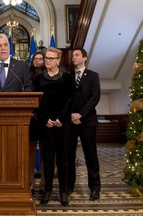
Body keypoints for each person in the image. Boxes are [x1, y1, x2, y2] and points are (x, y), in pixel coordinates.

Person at [33, 48, 74, 206]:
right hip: (46, 123)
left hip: (62, 123)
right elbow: (36, 101)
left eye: (51, 58)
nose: (47, 61)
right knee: (48, 158)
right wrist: (45, 119)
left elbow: (70, 99)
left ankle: (63, 192)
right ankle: (48, 190)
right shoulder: (39, 78)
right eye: (46, 58)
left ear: (58, 60)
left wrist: (60, 118)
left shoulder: (67, 77)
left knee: (63, 158)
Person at [68, 48, 101, 201]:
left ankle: (94, 188)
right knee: (68, 155)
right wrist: (71, 115)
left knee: (90, 155)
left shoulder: (93, 76)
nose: (73, 57)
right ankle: (69, 186)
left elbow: (95, 97)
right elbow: (65, 98)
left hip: (87, 121)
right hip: (69, 121)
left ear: (84, 58)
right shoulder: (68, 77)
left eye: (76, 55)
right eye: (72, 55)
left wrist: (80, 114)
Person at [29, 51, 45, 195]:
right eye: (36, 59)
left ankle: (44, 184)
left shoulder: (48, 75)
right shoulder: (28, 75)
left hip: (46, 118)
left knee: (45, 153)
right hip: (31, 118)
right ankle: (30, 183)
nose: (38, 61)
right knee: (30, 153)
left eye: (41, 59)